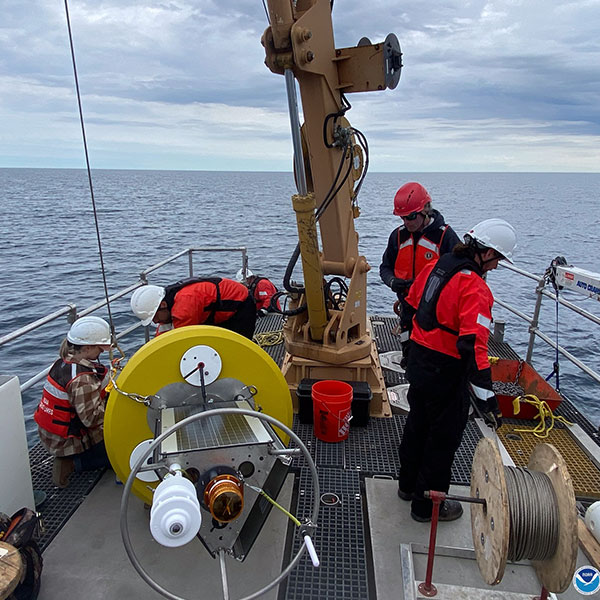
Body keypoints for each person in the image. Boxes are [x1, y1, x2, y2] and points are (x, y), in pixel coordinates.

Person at [397, 218, 517, 523]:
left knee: (417, 425)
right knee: (442, 441)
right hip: (445, 373)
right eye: (498, 259)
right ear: (487, 252)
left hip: (419, 364)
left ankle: (407, 487)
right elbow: (472, 348)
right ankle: (426, 508)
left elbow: (409, 305)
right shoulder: (475, 288)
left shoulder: (437, 266)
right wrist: (488, 401)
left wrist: (408, 347)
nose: (496, 267)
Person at [34, 316, 112, 488]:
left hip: (50, 435)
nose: (102, 353)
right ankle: (72, 463)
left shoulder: (62, 363)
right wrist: (114, 405)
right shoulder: (82, 380)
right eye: (99, 349)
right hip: (66, 442)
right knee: (121, 452)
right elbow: (91, 419)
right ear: (87, 347)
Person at [379, 181, 460, 313]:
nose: (407, 222)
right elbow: (385, 267)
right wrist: (392, 281)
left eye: (411, 217)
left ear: (425, 210)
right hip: (407, 305)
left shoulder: (445, 236)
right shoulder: (398, 236)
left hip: (436, 310)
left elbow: (461, 273)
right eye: (402, 218)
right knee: (407, 334)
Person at [131, 277, 257, 339]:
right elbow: (164, 334)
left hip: (241, 306)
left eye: (154, 317)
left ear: (162, 305)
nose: (155, 322)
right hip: (219, 307)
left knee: (237, 346)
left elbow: (181, 341)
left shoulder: (184, 307)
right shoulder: (169, 300)